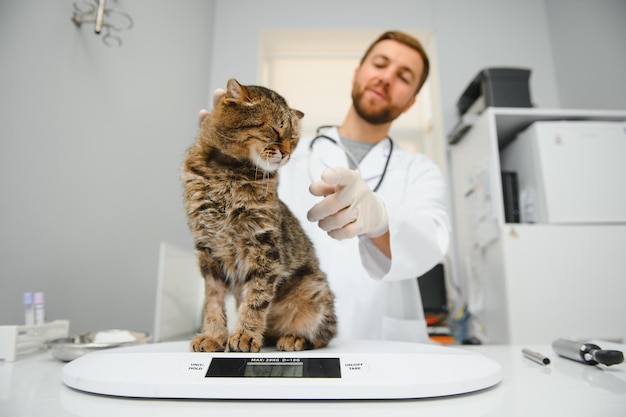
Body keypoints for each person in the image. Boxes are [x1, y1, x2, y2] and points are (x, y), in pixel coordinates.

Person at [277, 30, 450, 343]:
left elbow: (431, 243)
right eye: (380, 64)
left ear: (411, 102)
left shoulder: (419, 170)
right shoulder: (290, 155)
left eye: (403, 76)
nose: (386, 78)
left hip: (383, 345)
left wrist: (380, 220)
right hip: (290, 332)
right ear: (357, 74)